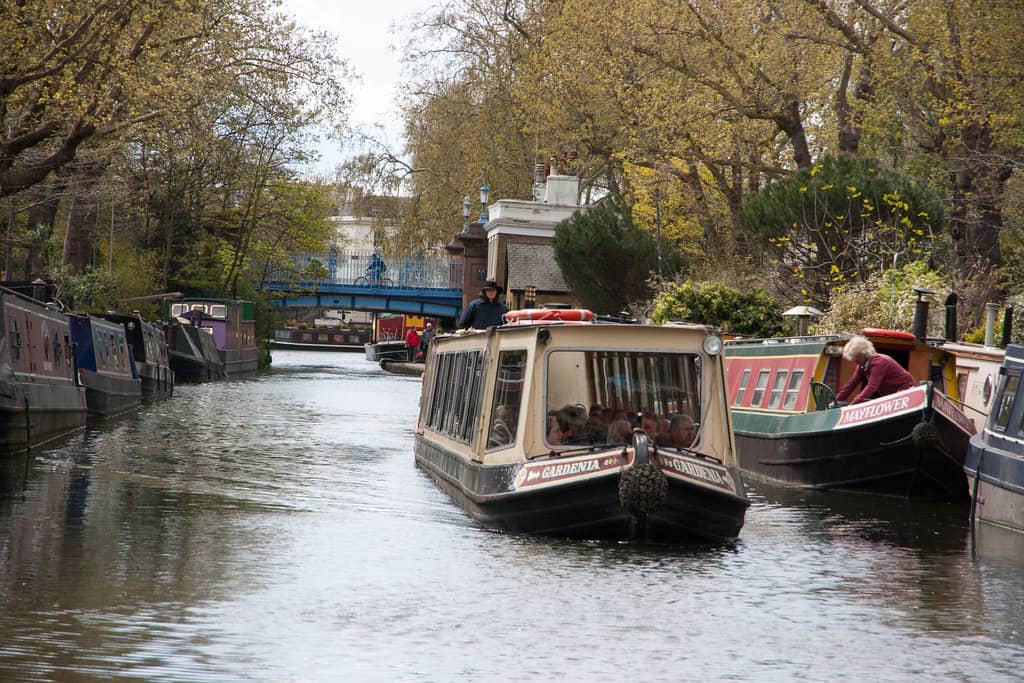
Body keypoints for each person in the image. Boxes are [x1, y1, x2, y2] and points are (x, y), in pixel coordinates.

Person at [834, 335, 916, 405]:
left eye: (856, 358)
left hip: (905, 391)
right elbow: (852, 383)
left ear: (863, 354)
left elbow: (872, 387)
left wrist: (852, 406)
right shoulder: (862, 364)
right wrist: (836, 401)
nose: (855, 361)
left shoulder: (879, 362)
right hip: (892, 394)